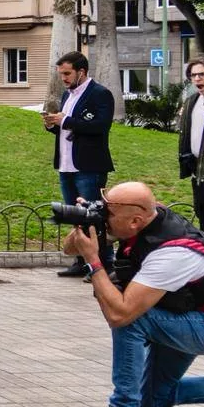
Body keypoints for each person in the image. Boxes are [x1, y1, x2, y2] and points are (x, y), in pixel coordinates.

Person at [69, 181, 204, 407]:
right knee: (155, 397)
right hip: (184, 313)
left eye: (108, 213)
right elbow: (69, 248)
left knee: (132, 319)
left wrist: (93, 261)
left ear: (134, 221)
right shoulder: (141, 220)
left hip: (202, 322)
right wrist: (88, 223)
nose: (104, 216)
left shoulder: (172, 253)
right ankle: (139, 403)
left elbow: (120, 314)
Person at [44, 51, 116, 279]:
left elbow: (100, 126)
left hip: (89, 166)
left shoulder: (100, 94)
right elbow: (68, 127)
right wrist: (52, 125)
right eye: (61, 74)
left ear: (81, 72)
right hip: (66, 165)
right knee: (75, 217)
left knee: (93, 217)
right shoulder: (68, 95)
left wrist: (64, 120)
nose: (63, 78)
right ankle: (80, 261)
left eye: (67, 73)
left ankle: (103, 265)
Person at [177, 58, 204, 229]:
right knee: (202, 215)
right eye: (193, 75)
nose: (197, 79)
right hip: (198, 170)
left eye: (202, 74)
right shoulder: (192, 101)